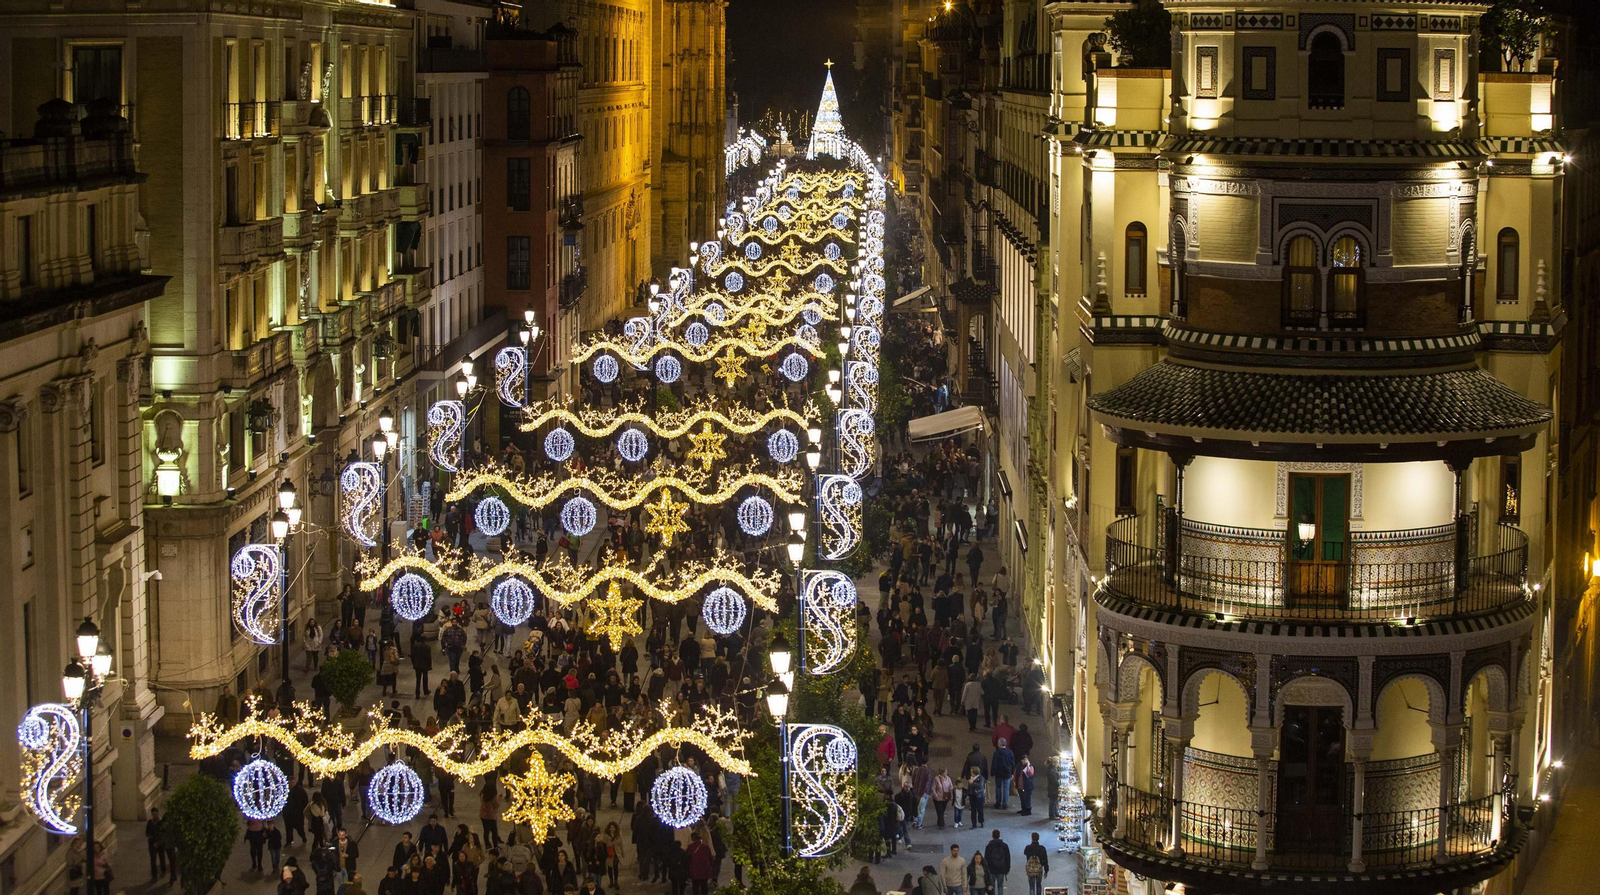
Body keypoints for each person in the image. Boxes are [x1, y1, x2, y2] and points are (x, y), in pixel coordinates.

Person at [983, 829, 1011, 895]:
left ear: (992, 836)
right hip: (1001, 869)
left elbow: (986, 858)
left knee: (992, 886)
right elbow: (1008, 858)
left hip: (991, 869)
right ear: (999, 835)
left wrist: (986, 870)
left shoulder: (989, 846)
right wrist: (1007, 869)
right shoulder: (1004, 846)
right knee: (1000, 886)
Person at [990, 739, 1015, 809]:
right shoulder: (1010, 752)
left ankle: (998, 803)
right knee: (1006, 789)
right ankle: (1005, 804)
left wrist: (992, 772)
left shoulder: (997, 753)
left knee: (998, 787)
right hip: (1007, 773)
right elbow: (1012, 763)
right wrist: (1012, 773)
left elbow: (994, 763)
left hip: (998, 773)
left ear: (1000, 744)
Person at [145, 807, 167, 880]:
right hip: (152, 844)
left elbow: (163, 833)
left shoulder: (161, 822)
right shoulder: (149, 822)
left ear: (158, 813)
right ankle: (154, 876)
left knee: (162, 858)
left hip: (160, 844)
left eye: (156, 814)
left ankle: (163, 870)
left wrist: (158, 842)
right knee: (153, 860)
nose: (155, 816)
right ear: (151, 814)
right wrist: (150, 836)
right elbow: (147, 832)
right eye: (153, 814)